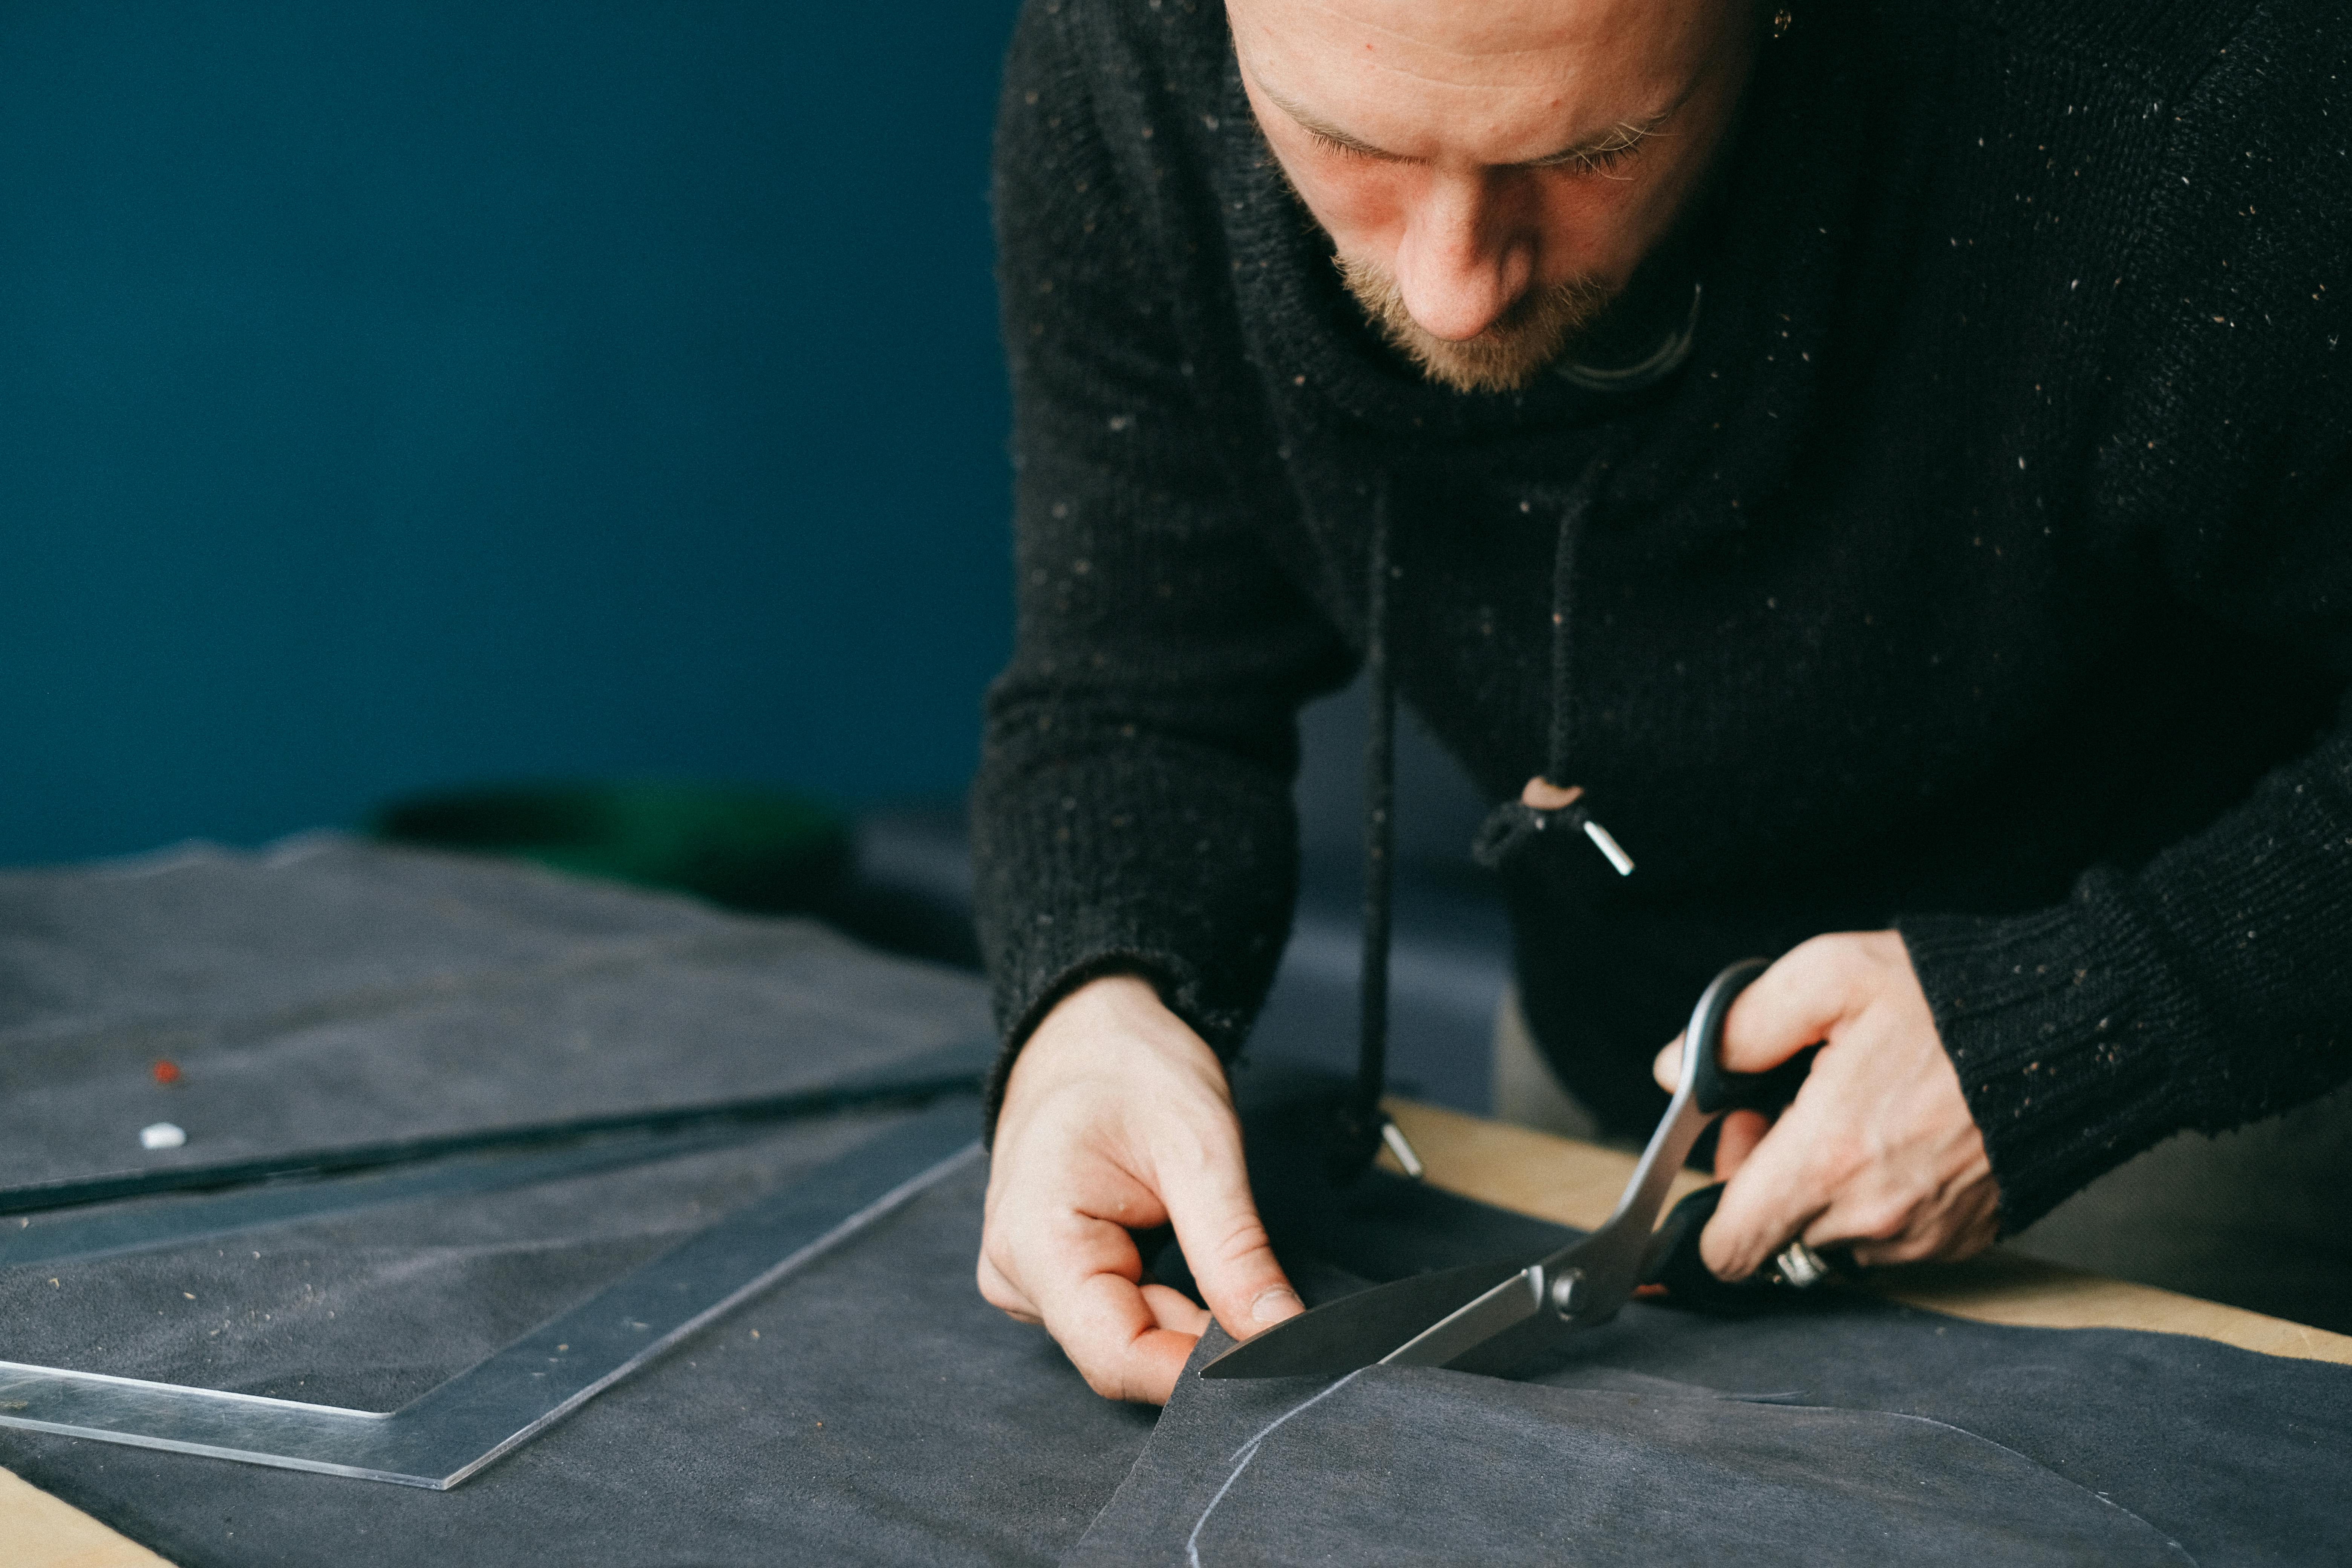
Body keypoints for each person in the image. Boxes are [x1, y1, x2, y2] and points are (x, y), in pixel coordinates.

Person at [970, 0, 2352, 1403]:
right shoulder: (1124, 59)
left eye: (1592, 154)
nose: (1455, 292)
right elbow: (1137, 688)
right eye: (1344, 143)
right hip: (1607, 1049)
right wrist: (1099, 998)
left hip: (2173, 1062)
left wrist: (2089, 1028)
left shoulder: (2198, 105)